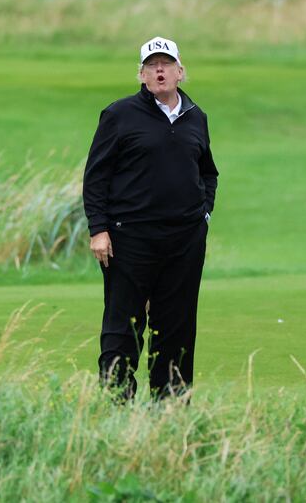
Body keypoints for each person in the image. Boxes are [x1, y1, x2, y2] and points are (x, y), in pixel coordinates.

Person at [82, 36, 219, 402]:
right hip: (130, 237)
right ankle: (117, 403)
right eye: (152, 65)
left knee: (176, 326)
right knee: (123, 324)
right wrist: (99, 230)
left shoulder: (196, 117)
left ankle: (169, 409)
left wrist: (203, 213)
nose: (160, 70)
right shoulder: (119, 115)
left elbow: (208, 172)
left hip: (184, 240)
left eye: (166, 64)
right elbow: (96, 177)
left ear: (180, 72)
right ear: (142, 75)